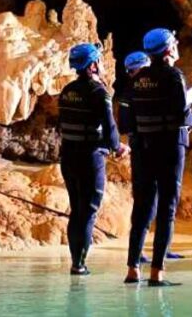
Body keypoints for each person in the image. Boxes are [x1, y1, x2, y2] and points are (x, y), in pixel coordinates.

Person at [123, 28, 192, 286]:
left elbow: (130, 122)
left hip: (144, 148)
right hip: (169, 148)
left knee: (143, 207)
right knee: (166, 207)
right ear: (168, 50)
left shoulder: (137, 79)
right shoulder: (173, 76)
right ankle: (157, 273)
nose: (178, 46)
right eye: (175, 43)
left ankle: (132, 269)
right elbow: (181, 116)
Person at [58, 43, 128, 275]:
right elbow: (110, 129)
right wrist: (118, 148)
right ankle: (80, 264)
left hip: (68, 157)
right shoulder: (99, 93)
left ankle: (74, 261)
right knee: (88, 211)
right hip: (90, 158)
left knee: (76, 209)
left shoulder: (67, 91)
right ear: (94, 64)